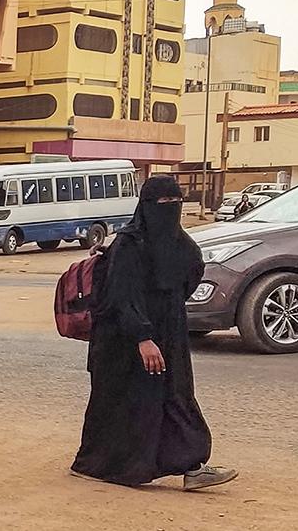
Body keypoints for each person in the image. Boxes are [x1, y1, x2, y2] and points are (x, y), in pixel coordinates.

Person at [71, 175, 237, 491]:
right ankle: (95, 465)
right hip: (125, 340)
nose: (169, 210)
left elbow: (190, 275)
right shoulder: (128, 246)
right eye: (162, 204)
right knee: (123, 403)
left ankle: (191, 465)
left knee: (175, 396)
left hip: (169, 334)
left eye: (175, 203)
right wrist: (143, 338)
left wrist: (165, 317)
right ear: (147, 206)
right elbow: (121, 297)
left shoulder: (181, 243)